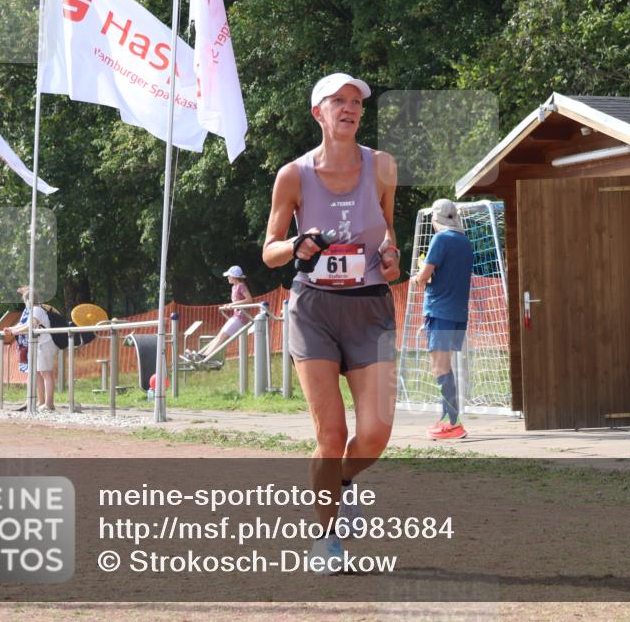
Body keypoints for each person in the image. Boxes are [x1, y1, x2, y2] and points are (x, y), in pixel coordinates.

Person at [262, 73, 400, 572]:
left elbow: (388, 230)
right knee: (332, 431)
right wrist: (296, 246)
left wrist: (391, 255)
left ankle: (341, 482)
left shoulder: (382, 166)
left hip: (370, 307)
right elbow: (269, 251)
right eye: (338, 101)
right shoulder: (293, 176)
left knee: (376, 433)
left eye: (356, 102)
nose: (350, 108)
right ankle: (325, 540)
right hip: (314, 309)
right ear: (317, 113)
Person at [412, 199, 474, 439]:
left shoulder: (441, 239)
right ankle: (448, 418)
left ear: (435, 219)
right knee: (445, 365)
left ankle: (452, 422)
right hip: (458, 312)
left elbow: (424, 276)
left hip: (440, 311)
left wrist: (417, 277)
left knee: (439, 366)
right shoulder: (465, 241)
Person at [183, 265, 253, 363]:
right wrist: (230, 305)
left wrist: (233, 304)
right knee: (219, 336)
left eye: (229, 276)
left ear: (234, 276)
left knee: (222, 336)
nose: (228, 278)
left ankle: (205, 357)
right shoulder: (234, 287)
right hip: (236, 316)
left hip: (241, 317)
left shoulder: (241, 286)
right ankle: (202, 355)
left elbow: (249, 300)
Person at [5, 286, 58, 412]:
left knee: (46, 374)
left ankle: (49, 404)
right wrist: (12, 329)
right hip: (39, 345)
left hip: (44, 345)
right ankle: (42, 401)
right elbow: (25, 324)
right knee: (39, 373)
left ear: (28, 301)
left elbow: (31, 326)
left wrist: (14, 331)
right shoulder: (35, 310)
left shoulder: (36, 310)